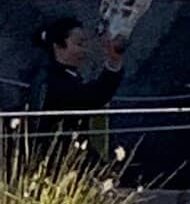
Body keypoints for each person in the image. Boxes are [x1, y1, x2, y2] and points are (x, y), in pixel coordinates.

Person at [31, 16, 124, 151]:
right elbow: (92, 97)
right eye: (79, 44)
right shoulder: (54, 81)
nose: (84, 50)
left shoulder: (57, 75)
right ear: (58, 47)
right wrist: (114, 62)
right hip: (57, 154)